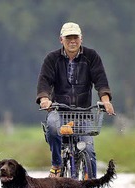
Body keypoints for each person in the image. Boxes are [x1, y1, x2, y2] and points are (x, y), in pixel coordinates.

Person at [36, 22, 115, 178]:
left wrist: (105, 100)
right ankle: (57, 164)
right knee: (52, 126)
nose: (72, 41)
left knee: (89, 152)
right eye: (68, 38)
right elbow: (44, 81)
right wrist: (44, 99)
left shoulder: (91, 56)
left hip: (83, 114)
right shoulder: (52, 59)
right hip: (59, 111)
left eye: (75, 37)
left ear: (81, 38)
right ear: (61, 40)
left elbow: (101, 81)